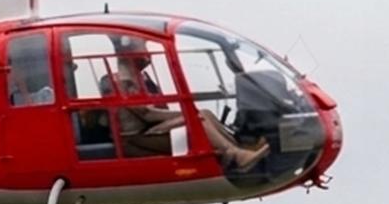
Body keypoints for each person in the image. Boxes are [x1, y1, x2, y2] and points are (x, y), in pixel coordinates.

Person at [110, 49, 271, 171]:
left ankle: (239, 147)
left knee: (204, 113)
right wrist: (187, 113)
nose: (147, 53)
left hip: (148, 130)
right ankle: (235, 156)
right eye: (142, 47)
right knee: (197, 119)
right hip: (136, 138)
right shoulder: (124, 82)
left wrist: (188, 113)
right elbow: (147, 114)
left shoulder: (139, 78)